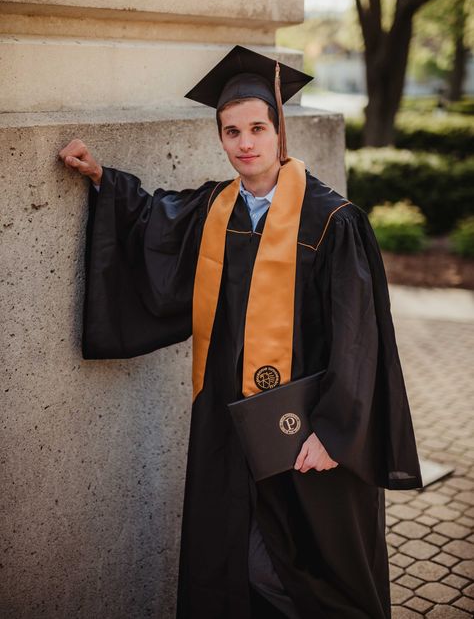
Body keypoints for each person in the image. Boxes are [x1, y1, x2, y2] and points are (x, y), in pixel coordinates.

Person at [58, 45, 422, 619]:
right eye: (231, 131)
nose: (245, 143)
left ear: (280, 131)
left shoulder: (332, 220)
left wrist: (335, 432)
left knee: (314, 571)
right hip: (231, 426)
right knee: (237, 561)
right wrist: (103, 177)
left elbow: (360, 338)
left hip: (307, 435)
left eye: (257, 127)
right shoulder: (216, 210)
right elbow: (154, 221)